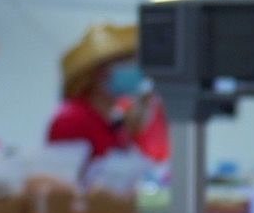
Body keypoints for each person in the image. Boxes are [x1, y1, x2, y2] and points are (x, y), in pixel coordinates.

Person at [45, 22, 170, 165]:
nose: (136, 72)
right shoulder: (71, 120)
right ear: (99, 72)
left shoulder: (113, 119)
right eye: (127, 64)